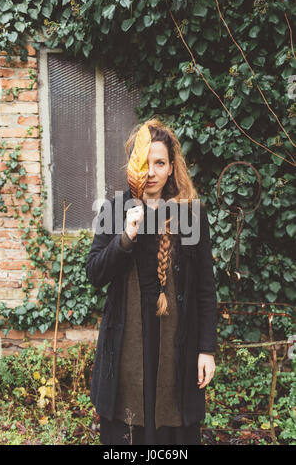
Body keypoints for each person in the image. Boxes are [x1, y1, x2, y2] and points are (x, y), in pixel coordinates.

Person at [85, 118, 218, 445]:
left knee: (174, 436)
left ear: (172, 167)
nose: (152, 171)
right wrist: (126, 236)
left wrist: (207, 349)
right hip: (128, 341)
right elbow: (95, 274)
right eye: (146, 163)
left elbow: (205, 289)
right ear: (134, 165)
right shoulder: (114, 210)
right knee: (127, 435)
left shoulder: (190, 215)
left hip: (177, 342)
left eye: (160, 163)